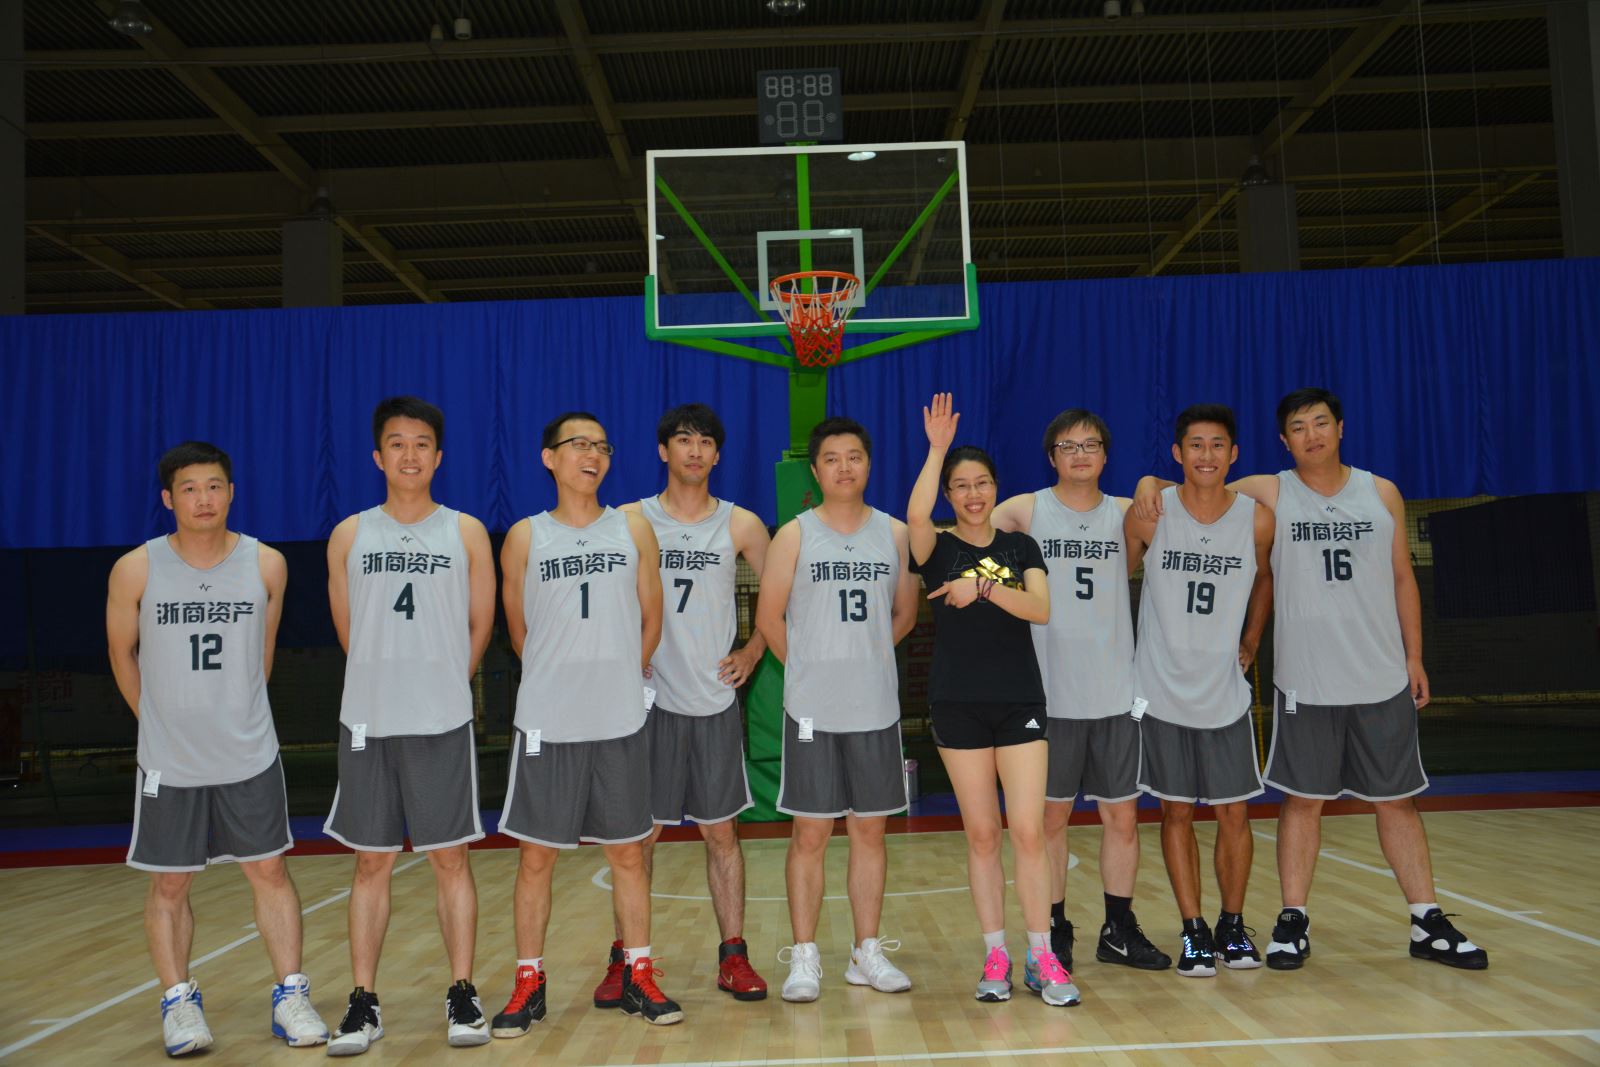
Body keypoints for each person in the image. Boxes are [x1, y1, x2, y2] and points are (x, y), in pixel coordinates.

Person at [1132, 387, 1488, 971]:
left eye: (1321, 423)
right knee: (1302, 801)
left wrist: (1415, 656)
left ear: (1340, 428)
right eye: (1298, 428)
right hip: (1305, 680)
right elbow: (1199, 484)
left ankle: (1426, 918)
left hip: (1380, 672)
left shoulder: (1381, 492)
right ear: (1283, 440)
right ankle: (1291, 921)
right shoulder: (1270, 491)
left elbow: (1403, 576)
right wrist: (1147, 482)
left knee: (1396, 799)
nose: (1312, 435)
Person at [107, 441, 328, 1057]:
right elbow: (121, 654)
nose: (202, 498)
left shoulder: (267, 564)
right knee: (170, 883)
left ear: (231, 493)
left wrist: (236, 712)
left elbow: (263, 653)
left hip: (247, 751)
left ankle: (290, 995)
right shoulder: (136, 568)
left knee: (269, 870)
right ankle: (179, 1003)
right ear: (168, 498)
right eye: (189, 488)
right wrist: (156, 721)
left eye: (213, 486)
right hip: (169, 758)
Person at [494, 411, 682, 1034]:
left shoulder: (633, 529)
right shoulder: (525, 536)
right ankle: (529, 982)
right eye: (578, 445)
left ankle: (638, 973)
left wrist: (619, 679)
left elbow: (652, 619)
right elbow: (519, 633)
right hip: (547, 722)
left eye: (602, 446)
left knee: (628, 853)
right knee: (536, 858)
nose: (592, 455)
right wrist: (561, 680)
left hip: (618, 719)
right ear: (549, 457)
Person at [322, 397, 496, 1054]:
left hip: (439, 718)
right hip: (368, 718)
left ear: (439, 456)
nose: (410, 454)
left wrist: (445, 682)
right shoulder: (349, 534)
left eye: (422, 443)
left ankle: (462, 992)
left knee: (450, 856)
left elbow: (480, 624)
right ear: (378, 456)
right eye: (396, 443)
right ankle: (363, 1001)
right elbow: (349, 631)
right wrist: (383, 679)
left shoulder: (465, 531)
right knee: (371, 861)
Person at [907, 394, 1078, 1007]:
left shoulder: (1019, 547)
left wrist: (979, 587)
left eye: (981, 483)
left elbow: (1040, 608)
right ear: (949, 495)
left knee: (1027, 831)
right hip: (957, 705)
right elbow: (915, 514)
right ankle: (996, 954)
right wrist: (936, 450)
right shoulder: (935, 551)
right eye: (961, 486)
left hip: (1019, 702)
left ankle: (1042, 955)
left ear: (995, 488)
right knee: (982, 835)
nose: (973, 494)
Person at [993, 409, 1171, 973]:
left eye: (1090, 445)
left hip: (1116, 693)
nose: (1079, 454)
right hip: (1048, 695)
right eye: (1067, 446)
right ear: (1051, 457)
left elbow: (1198, 492)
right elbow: (967, 531)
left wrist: (1150, 480)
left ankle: (1118, 929)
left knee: (1123, 819)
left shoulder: (1126, 512)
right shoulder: (1025, 510)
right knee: (1051, 823)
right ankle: (1055, 929)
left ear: (1105, 455)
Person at [609, 403, 772, 1005]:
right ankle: (626, 960)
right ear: (663, 451)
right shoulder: (629, 520)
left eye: (706, 441)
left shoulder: (741, 524)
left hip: (712, 700)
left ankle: (733, 957)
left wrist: (753, 651)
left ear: (718, 454)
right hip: (647, 702)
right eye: (684, 440)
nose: (695, 450)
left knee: (721, 834)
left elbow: (783, 594)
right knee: (639, 840)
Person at [754, 417, 921, 1003]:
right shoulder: (794, 534)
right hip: (812, 711)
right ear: (815, 469)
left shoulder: (895, 533)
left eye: (854, 456)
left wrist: (864, 658)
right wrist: (809, 670)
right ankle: (804, 956)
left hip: (874, 707)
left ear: (868, 464)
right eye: (832, 458)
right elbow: (768, 617)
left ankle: (864, 952)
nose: (844, 467)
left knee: (870, 831)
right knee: (811, 832)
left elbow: (905, 615)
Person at [1123, 404, 1275, 978]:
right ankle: (1193, 931)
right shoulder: (1152, 514)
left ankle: (1232, 926)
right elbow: (1114, 577)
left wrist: (1252, 638)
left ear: (1233, 454)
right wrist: (1145, 484)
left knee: (1235, 813)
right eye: (1195, 444)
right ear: (1177, 453)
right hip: (1162, 690)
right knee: (1176, 812)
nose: (1206, 455)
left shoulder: (1257, 520)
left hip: (1223, 691)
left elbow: (1266, 577)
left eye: (1216, 445)